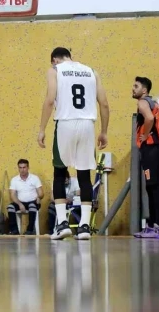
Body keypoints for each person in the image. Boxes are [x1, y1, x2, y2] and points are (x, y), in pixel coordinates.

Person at [38, 47, 109, 241]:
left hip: (65, 124)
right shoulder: (92, 71)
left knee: (59, 174)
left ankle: (62, 224)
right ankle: (85, 226)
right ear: (70, 57)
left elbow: (50, 100)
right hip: (87, 125)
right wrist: (103, 131)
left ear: (54, 60)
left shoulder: (54, 70)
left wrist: (42, 128)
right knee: (85, 175)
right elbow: (104, 103)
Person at [132, 77, 159, 239]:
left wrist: (146, 134)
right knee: (152, 186)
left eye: (136, 86)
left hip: (151, 150)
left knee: (153, 186)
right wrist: (155, 131)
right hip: (158, 148)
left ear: (144, 90)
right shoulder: (154, 104)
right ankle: (153, 226)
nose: (133, 89)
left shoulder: (142, 102)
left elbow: (149, 118)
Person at [6, 159, 44, 235]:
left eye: (24, 167)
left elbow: (41, 193)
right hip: (20, 202)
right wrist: (20, 204)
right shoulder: (14, 180)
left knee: (32, 206)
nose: (22, 170)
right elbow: (12, 195)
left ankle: (30, 230)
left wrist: (39, 197)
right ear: (18, 168)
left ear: (28, 167)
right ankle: (14, 231)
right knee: (10, 207)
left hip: (33, 201)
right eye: (20, 167)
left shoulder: (34, 178)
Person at [47, 170, 81, 235]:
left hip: (72, 203)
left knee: (79, 209)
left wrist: (70, 198)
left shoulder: (75, 181)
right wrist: (62, 201)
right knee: (51, 206)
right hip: (61, 202)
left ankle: (79, 231)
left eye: (66, 180)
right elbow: (52, 197)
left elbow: (79, 192)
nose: (65, 182)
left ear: (69, 177)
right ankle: (51, 231)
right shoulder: (56, 182)